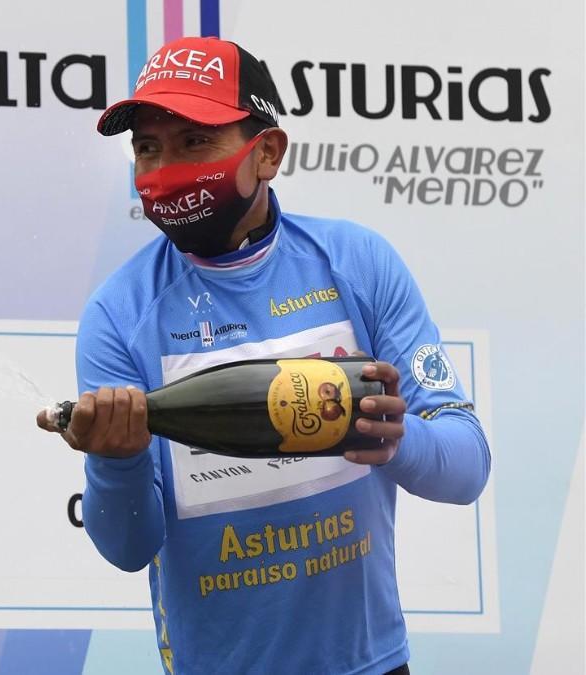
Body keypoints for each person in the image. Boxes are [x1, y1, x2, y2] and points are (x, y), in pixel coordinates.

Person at [36, 36, 490, 675]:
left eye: (194, 141)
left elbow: (467, 465)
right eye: (147, 148)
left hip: (373, 664)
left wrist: (396, 441)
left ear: (268, 152)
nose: (165, 168)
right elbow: (128, 547)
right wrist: (117, 462)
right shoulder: (118, 314)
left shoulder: (358, 262)